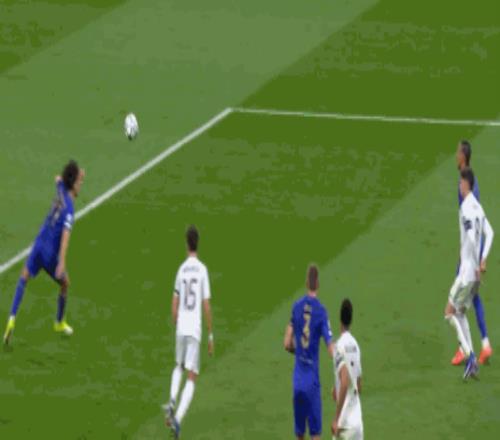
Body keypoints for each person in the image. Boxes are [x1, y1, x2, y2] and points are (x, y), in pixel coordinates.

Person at [3, 160, 85, 345]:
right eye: (79, 182)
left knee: (23, 278)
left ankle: (12, 318)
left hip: (38, 244)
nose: (81, 185)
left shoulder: (60, 190)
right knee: (65, 283)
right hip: (50, 254)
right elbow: (65, 237)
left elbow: (58, 178)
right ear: (72, 183)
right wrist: (61, 262)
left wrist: (74, 174)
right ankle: (59, 322)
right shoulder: (69, 211)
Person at [163, 225, 214, 439]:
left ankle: (171, 399)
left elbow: (174, 303)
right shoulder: (202, 270)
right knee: (192, 375)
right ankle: (178, 418)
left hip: (181, 326)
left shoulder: (181, 270)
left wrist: (177, 323)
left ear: (186, 244)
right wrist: (210, 334)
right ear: (198, 243)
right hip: (194, 328)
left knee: (178, 365)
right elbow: (206, 304)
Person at [445, 167, 493, 379]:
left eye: (460, 182)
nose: (458, 185)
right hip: (474, 275)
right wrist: (483, 259)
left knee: (449, 313)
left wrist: (475, 264)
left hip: (466, 273)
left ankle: (470, 356)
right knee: (461, 313)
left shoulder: (465, 207)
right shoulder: (478, 207)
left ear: (466, 184)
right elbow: (490, 233)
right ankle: (471, 356)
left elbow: (473, 238)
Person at [284, 264, 334, 440]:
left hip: (297, 381)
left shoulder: (296, 306)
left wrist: (298, 352)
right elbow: (331, 349)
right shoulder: (321, 312)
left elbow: (286, 343)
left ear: (306, 283)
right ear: (317, 283)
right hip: (312, 383)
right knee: (315, 434)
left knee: (299, 434)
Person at [332, 299, 363, 440]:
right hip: (357, 423)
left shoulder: (339, 346)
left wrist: (336, 419)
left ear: (340, 320)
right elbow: (359, 385)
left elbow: (344, 381)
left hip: (344, 425)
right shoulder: (355, 345)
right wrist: (336, 387)